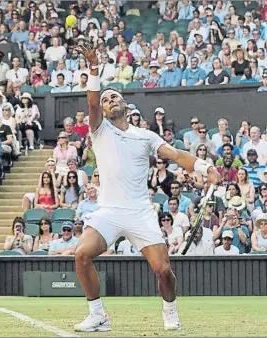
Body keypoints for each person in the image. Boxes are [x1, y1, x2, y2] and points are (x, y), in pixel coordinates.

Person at [73, 42, 220, 332]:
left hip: (140, 213)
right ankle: (98, 315)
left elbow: (177, 156)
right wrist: (93, 68)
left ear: (125, 105)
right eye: (106, 99)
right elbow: (91, 102)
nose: (110, 100)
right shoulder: (99, 129)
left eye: (115, 96)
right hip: (109, 212)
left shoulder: (146, 136)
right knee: (81, 254)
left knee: (163, 270)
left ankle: (170, 310)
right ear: (102, 109)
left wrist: (206, 167)